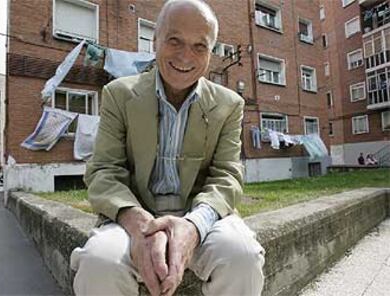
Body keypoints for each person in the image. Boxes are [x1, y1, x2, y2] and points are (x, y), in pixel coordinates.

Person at [70, 1, 265, 296]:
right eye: (174, 40)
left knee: (242, 257)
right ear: (155, 41)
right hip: (132, 214)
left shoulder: (229, 105)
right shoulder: (118, 95)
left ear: (211, 53)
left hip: (202, 215)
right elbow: (104, 172)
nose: (186, 55)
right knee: (99, 263)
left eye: (200, 46)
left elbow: (227, 176)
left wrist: (193, 226)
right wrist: (139, 226)